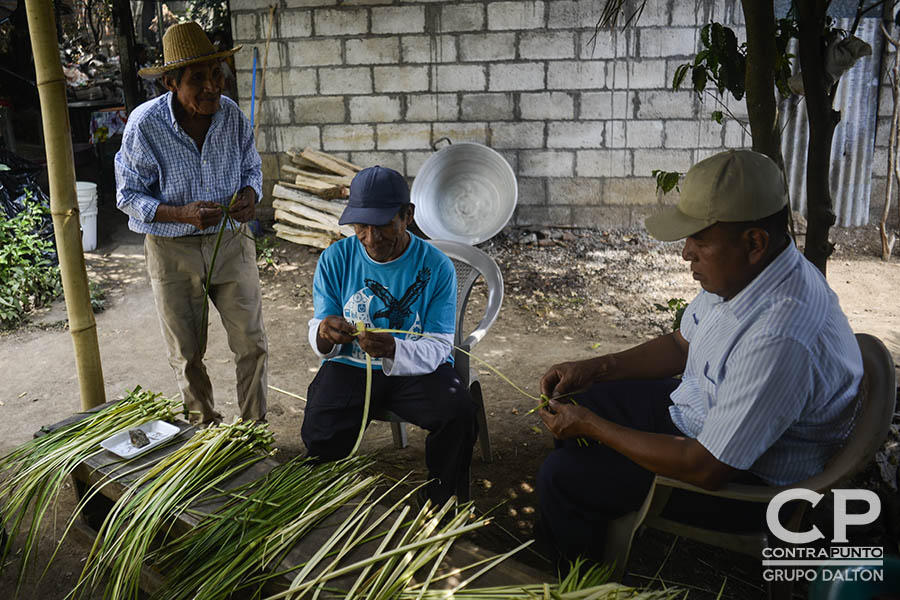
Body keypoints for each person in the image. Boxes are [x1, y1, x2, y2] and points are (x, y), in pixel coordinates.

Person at [535, 149, 863, 564]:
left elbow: (706, 467)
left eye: (700, 239)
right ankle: (582, 526)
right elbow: (679, 345)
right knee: (577, 399)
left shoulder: (781, 336)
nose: (686, 252)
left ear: (754, 242)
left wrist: (594, 429)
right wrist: (596, 369)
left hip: (746, 484)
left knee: (562, 477)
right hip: (701, 419)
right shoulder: (749, 274)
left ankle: (574, 574)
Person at [115, 22, 267, 427]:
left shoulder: (231, 116)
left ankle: (254, 431)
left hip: (231, 242)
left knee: (251, 344)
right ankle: (204, 433)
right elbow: (127, 196)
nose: (212, 87)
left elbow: (252, 166)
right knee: (187, 352)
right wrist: (181, 213)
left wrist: (251, 194)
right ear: (169, 83)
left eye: (216, 74)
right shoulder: (144, 126)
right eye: (197, 78)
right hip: (172, 252)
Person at [302, 165, 477, 504]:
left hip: (415, 369)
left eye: (382, 224)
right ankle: (323, 499)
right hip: (350, 367)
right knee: (320, 430)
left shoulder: (437, 266)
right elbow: (319, 329)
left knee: (458, 413)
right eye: (360, 226)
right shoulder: (335, 259)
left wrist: (394, 348)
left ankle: (441, 499)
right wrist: (324, 333)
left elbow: (440, 346)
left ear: (407, 216)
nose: (371, 237)